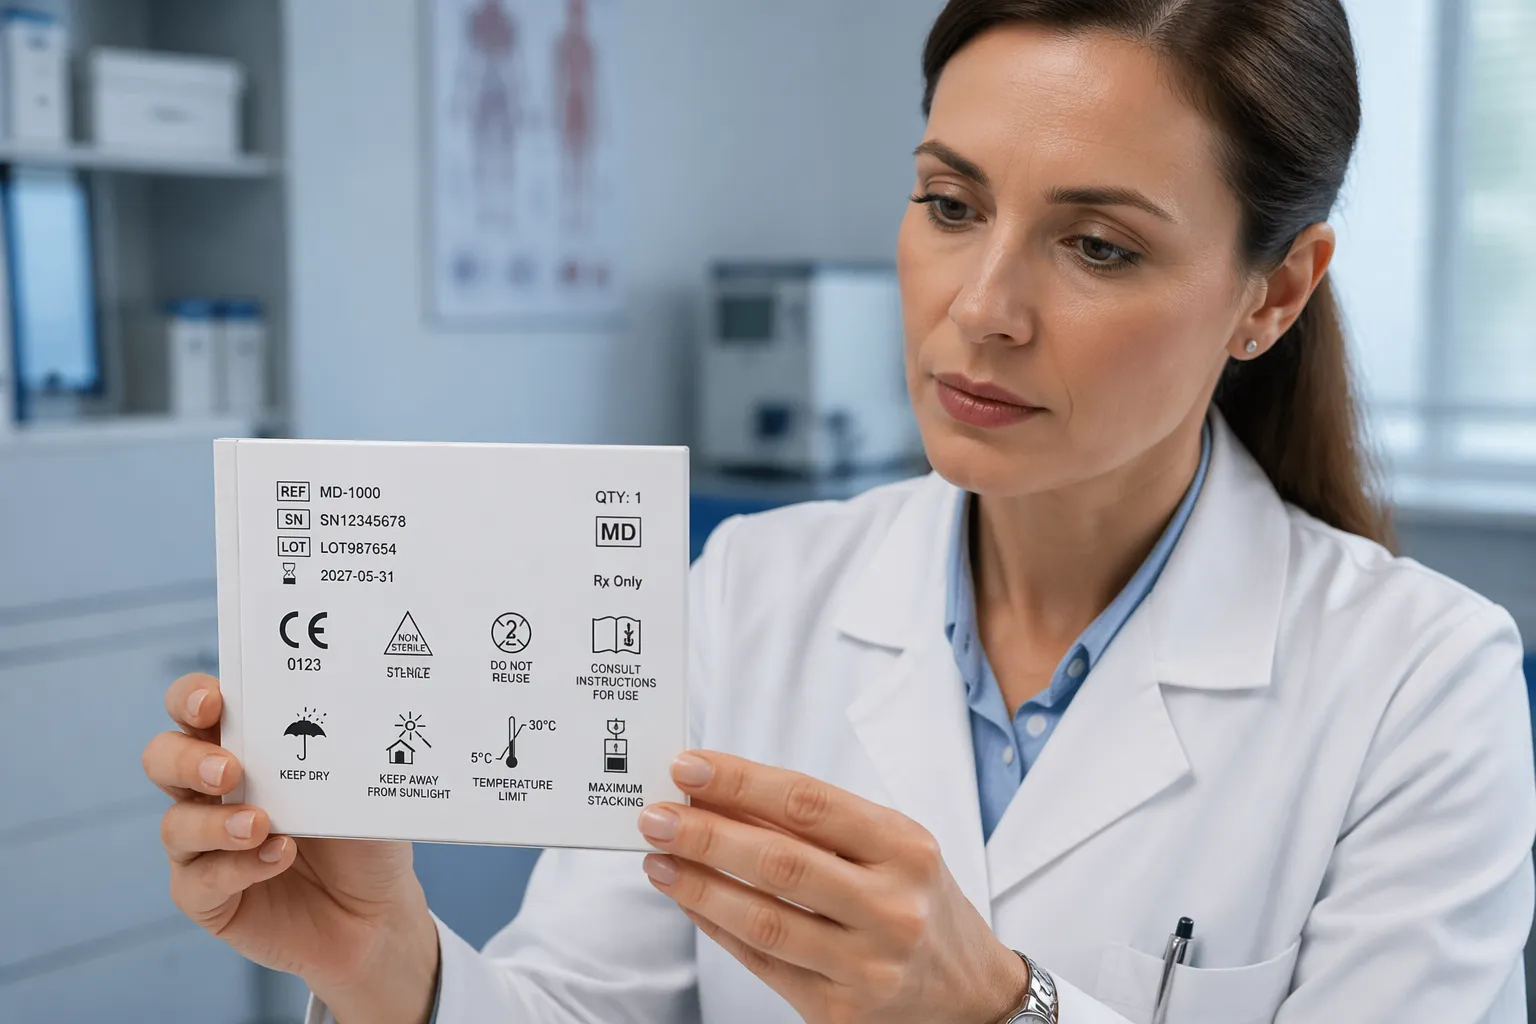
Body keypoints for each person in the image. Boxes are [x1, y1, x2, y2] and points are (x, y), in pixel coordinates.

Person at [142, 0, 1536, 1021]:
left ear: (1274, 292)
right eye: (948, 204)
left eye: (1099, 246)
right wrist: (386, 965)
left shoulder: (1423, 686)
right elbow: (590, 1007)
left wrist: (1005, 1013)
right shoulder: (749, 590)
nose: (979, 311)